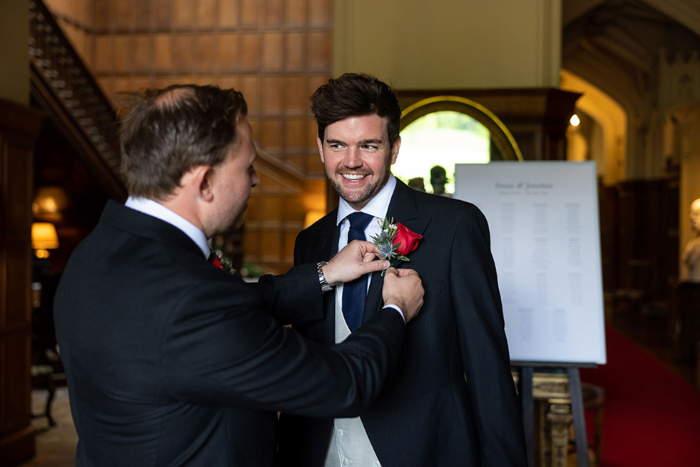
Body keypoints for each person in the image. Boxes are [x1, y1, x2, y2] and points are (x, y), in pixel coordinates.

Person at [54, 84, 425, 466]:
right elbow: (346, 384)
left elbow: (225, 314)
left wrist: (324, 274)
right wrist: (395, 309)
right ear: (204, 182)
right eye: (247, 167)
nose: (255, 180)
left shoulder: (94, 253)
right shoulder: (195, 299)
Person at [277, 74, 527, 466]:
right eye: (337, 145)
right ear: (321, 148)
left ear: (394, 149)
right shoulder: (310, 241)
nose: (352, 161)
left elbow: (488, 372)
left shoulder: (454, 227)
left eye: (369, 145)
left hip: (425, 450)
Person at [683, 197, 700, 282]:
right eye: (691, 214)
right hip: (693, 287)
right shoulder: (692, 243)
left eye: (696, 214)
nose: (692, 217)